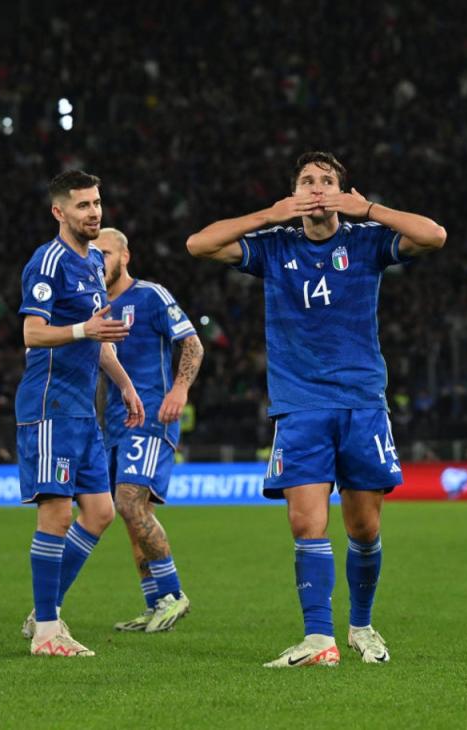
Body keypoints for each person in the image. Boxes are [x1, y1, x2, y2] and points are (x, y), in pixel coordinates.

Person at [186, 151, 446, 667]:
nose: (317, 189)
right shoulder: (274, 245)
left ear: (342, 192)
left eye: (326, 181)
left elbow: (434, 235)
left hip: (361, 401)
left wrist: (366, 208)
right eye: (307, 181)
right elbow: (198, 245)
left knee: (364, 529)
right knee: (307, 524)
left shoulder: (367, 240)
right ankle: (318, 639)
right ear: (295, 193)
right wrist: (271, 213)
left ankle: (362, 626)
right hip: (300, 404)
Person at [16, 171, 145, 657]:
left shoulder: (93, 263)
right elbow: (32, 333)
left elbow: (100, 337)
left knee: (100, 511)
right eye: (83, 205)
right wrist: (82, 331)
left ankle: (44, 612)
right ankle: (47, 630)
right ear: (59, 212)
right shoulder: (47, 262)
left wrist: (127, 387)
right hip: (49, 406)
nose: (93, 212)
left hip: (81, 409)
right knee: (56, 513)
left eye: (97, 203)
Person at [96, 227, 204, 633]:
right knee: (131, 514)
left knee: (128, 502)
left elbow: (193, 344)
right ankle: (155, 603)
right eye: (94, 254)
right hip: (111, 426)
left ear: (125, 256)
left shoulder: (150, 295)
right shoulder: (92, 308)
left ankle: (174, 594)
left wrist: (179, 389)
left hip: (151, 419)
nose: (99, 260)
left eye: (106, 253)